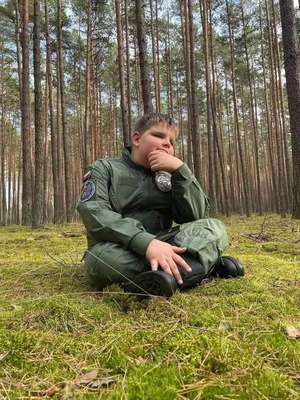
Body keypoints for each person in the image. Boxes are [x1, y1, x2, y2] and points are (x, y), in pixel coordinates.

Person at [77, 113, 244, 297]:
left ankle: (158, 280)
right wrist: (146, 243)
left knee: (215, 227)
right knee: (100, 260)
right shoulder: (104, 168)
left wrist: (182, 172)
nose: (167, 144)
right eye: (159, 136)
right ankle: (201, 269)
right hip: (119, 248)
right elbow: (94, 212)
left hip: (166, 245)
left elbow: (197, 218)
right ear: (137, 139)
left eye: (172, 142)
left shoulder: (171, 177)